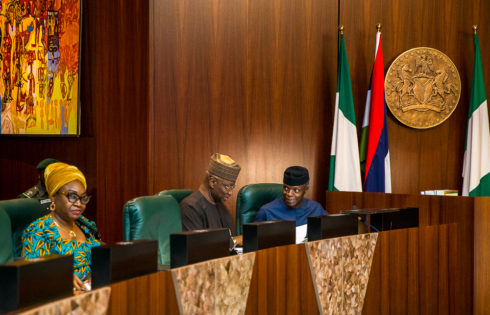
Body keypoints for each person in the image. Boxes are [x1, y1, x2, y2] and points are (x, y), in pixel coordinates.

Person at [21, 162, 101, 292]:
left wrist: (98, 271)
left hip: (92, 293)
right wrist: (60, 277)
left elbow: (101, 256)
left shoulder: (86, 226)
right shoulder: (38, 231)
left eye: (83, 198)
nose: (79, 204)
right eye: (72, 197)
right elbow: (30, 277)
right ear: (53, 197)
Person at [180, 153, 241, 235]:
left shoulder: (221, 205)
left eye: (232, 187)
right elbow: (195, 246)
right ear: (212, 182)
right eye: (227, 187)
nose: (230, 193)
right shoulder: (190, 208)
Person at [255, 166, 327, 226]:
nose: (289, 194)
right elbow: (253, 240)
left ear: (306, 189)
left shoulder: (316, 209)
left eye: (296, 190)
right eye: (286, 188)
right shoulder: (267, 211)